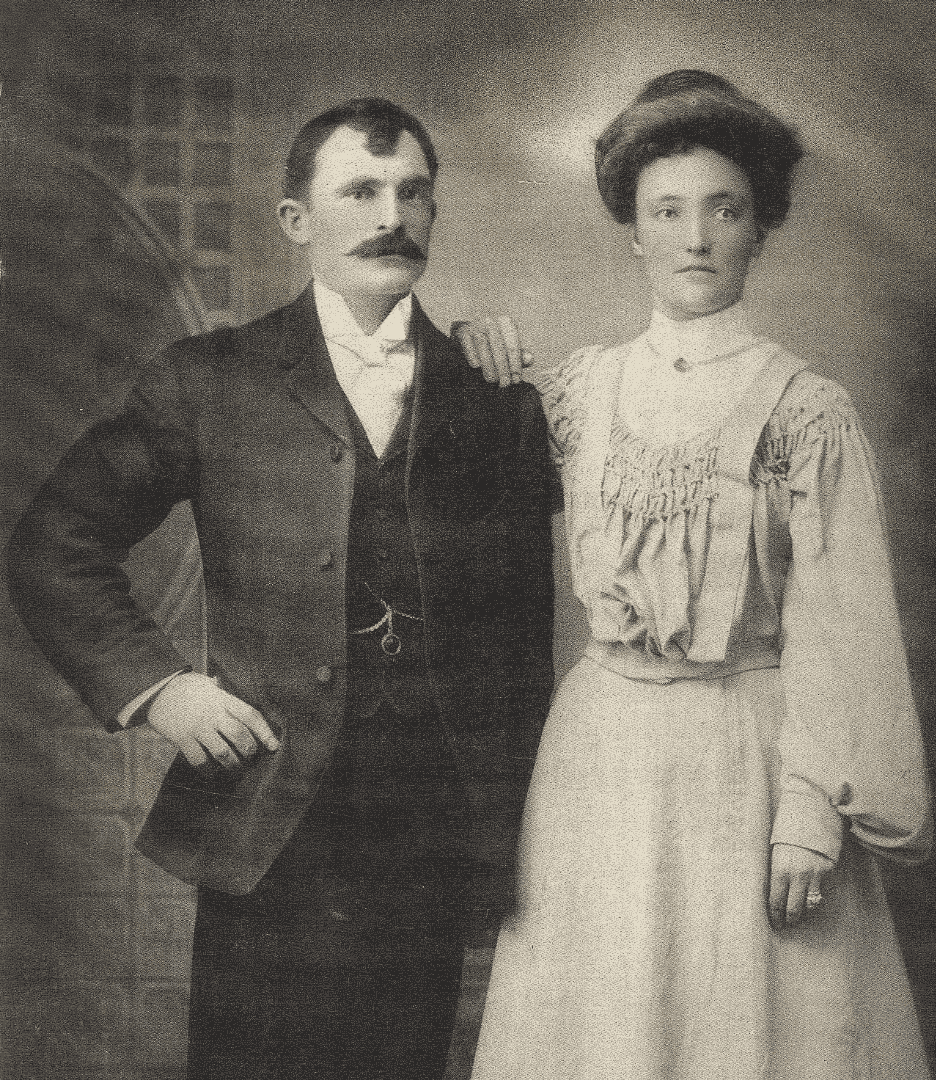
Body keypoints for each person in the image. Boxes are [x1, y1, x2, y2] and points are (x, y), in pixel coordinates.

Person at [6, 97, 557, 1080]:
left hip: (428, 832)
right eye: (360, 191)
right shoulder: (211, 379)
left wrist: (511, 831)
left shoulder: (493, 393)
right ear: (296, 220)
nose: (391, 215)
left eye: (413, 192)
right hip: (266, 819)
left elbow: (524, 641)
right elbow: (54, 543)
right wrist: (164, 691)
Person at [460, 70, 933, 1079]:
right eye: (667, 211)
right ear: (632, 230)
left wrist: (809, 816)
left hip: (747, 758)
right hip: (601, 759)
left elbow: (839, 623)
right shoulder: (580, 393)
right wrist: (463, 356)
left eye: (725, 209)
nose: (696, 238)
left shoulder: (805, 408)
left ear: (760, 228)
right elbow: (450, 490)